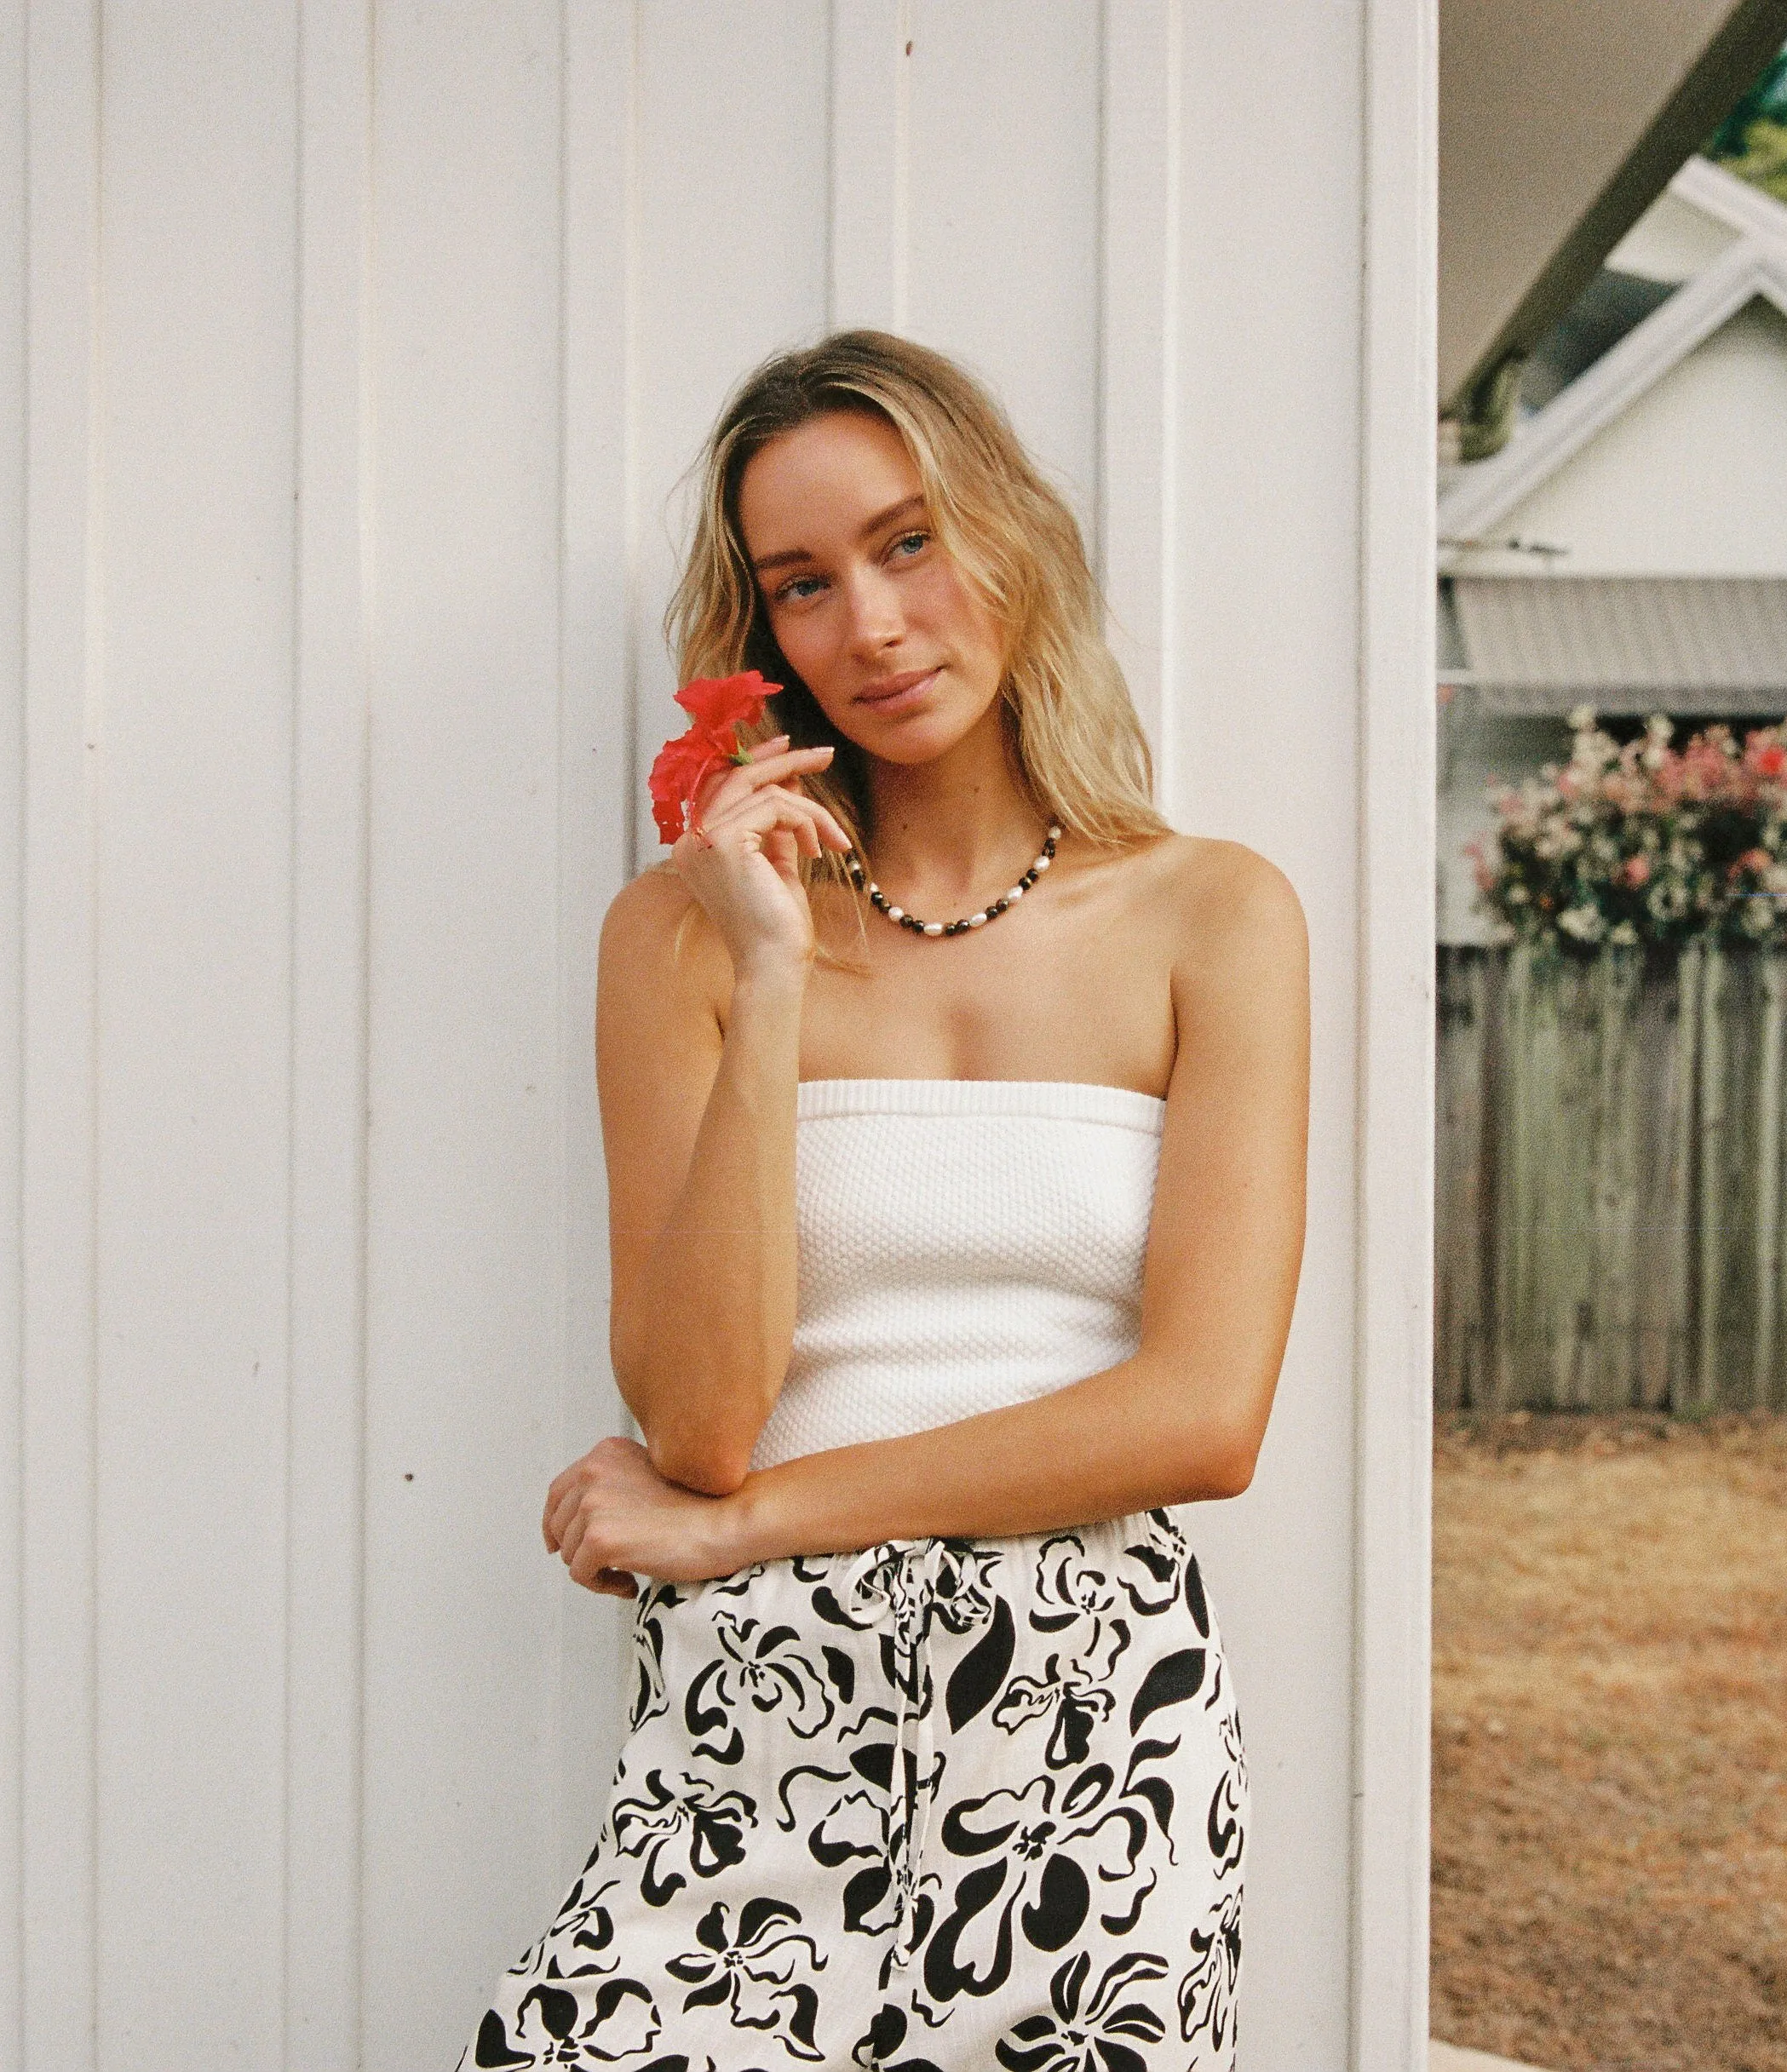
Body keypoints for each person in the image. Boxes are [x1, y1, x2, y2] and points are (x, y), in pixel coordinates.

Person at [463, 331, 1307, 2072]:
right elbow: (697, 1419)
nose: (873, 622)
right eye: (803, 584)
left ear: (1007, 537)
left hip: (1089, 1705)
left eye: (909, 541)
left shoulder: (1215, 915)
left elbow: (1205, 1416)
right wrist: (771, 977)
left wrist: (750, 1518)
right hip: (765, 1696)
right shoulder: (678, 940)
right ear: (760, 640)